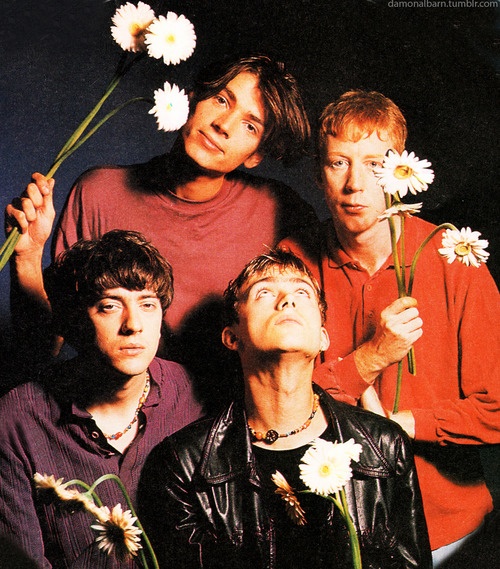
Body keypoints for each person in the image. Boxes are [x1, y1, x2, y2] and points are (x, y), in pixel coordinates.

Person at [5, 54, 317, 410]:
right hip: (114, 418)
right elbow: (45, 350)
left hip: (226, 427)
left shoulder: (279, 211)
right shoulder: (99, 192)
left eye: (250, 125)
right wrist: (28, 257)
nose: (224, 125)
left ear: (256, 154)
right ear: (192, 97)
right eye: (221, 100)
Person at [280, 90, 500, 567]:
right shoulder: (293, 263)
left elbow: (497, 407)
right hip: (340, 531)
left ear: (400, 173)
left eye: (374, 164)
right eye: (339, 163)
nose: (355, 184)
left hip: (450, 533)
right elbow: (277, 400)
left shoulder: (453, 260)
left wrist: (402, 427)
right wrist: (372, 356)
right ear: (319, 175)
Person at [138, 249, 431, 569]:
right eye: (264, 292)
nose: (287, 301)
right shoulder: (181, 465)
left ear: (323, 337)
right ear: (232, 337)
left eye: (301, 292)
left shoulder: (385, 446)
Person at [0, 230, 203, 568]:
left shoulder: (193, 395)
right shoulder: (16, 419)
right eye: (109, 306)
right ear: (75, 319)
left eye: (148, 304)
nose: (133, 325)